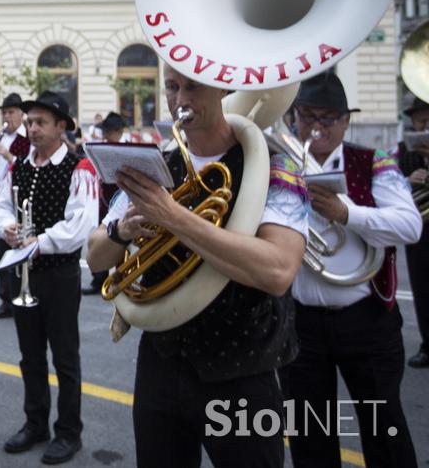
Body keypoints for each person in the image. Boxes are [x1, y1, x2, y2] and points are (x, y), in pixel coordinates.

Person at [87, 64, 309, 468]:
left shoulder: (278, 168)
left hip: (242, 369)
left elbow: (277, 272)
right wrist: (121, 231)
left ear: (223, 88)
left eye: (193, 86)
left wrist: (172, 217)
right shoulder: (154, 167)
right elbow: (95, 256)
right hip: (161, 363)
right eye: (172, 87)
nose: (181, 99)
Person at [279, 73, 420, 468]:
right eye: (307, 117)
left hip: (368, 322)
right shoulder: (281, 168)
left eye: (328, 118)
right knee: (310, 439)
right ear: (294, 118)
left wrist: (346, 213)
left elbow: (410, 225)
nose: (317, 128)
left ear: (345, 121)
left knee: (384, 432)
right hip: (302, 323)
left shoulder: (375, 162)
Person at [0, 91, 99, 465]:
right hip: (26, 273)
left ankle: (70, 431)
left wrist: (38, 242)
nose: (31, 129)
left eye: (40, 123)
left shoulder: (80, 167)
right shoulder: (22, 165)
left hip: (59, 274)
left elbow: (81, 225)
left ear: (61, 127)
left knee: (65, 358)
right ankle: (35, 423)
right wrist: (7, 227)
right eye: (30, 122)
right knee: (30, 356)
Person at [0, 93, 31, 320]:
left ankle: (19, 295)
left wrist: (8, 155)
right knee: (1, 251)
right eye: (5, 113)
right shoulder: (0, 136)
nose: (7, 117)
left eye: (11, 112)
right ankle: (5, 299)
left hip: (20, 203)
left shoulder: (27, 138)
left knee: (19, 251)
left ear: (22, 114)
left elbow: (27, 167)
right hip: (0, 201)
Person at [397, 95, 429, 368]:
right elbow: (390, 182)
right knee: (422, 286)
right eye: (420, 120)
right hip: (421, 230)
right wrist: (407, 181)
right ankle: (427, 344)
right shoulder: (404, 150)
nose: (423, 126)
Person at [83, 112, 126, 296]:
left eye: (109, 132)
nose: (106, 135)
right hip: (103, 202)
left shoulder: (127, 150)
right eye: (105, 131)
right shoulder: (103, 148)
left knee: (121, 241)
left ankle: (122, 277)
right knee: (100, 238)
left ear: (119, 132)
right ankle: (98, 279)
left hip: (121, 202)